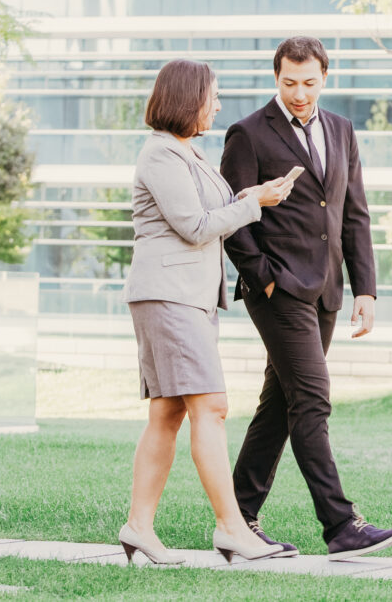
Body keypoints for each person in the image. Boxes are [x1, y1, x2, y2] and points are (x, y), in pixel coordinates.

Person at [221, 36, 392, 561]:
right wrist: (264, 278)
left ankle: (236, 518)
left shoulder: (342, 131)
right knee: (313, 399)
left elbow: (353, 214)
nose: (299, 93)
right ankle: (341, 525)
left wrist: (365, 287)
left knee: (279, 405)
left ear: (325, 76)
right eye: (288, 82)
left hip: (324, 290)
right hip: (278, 290)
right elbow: (232, 215)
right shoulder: (249, 134)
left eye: (309, 82)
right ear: (275, 77)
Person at [119, 59, 294, 565]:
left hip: (185, 297)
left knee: (168, 412)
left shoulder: (186, 153)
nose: (217, 105)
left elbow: (207, 212)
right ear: (186, 98)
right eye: (211, 96)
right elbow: (195, 226)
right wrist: (252, 203)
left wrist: (251, 197)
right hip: (169, 296)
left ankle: (139, 528)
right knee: (211, 406)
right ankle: (231, 528)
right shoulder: (160, 156)